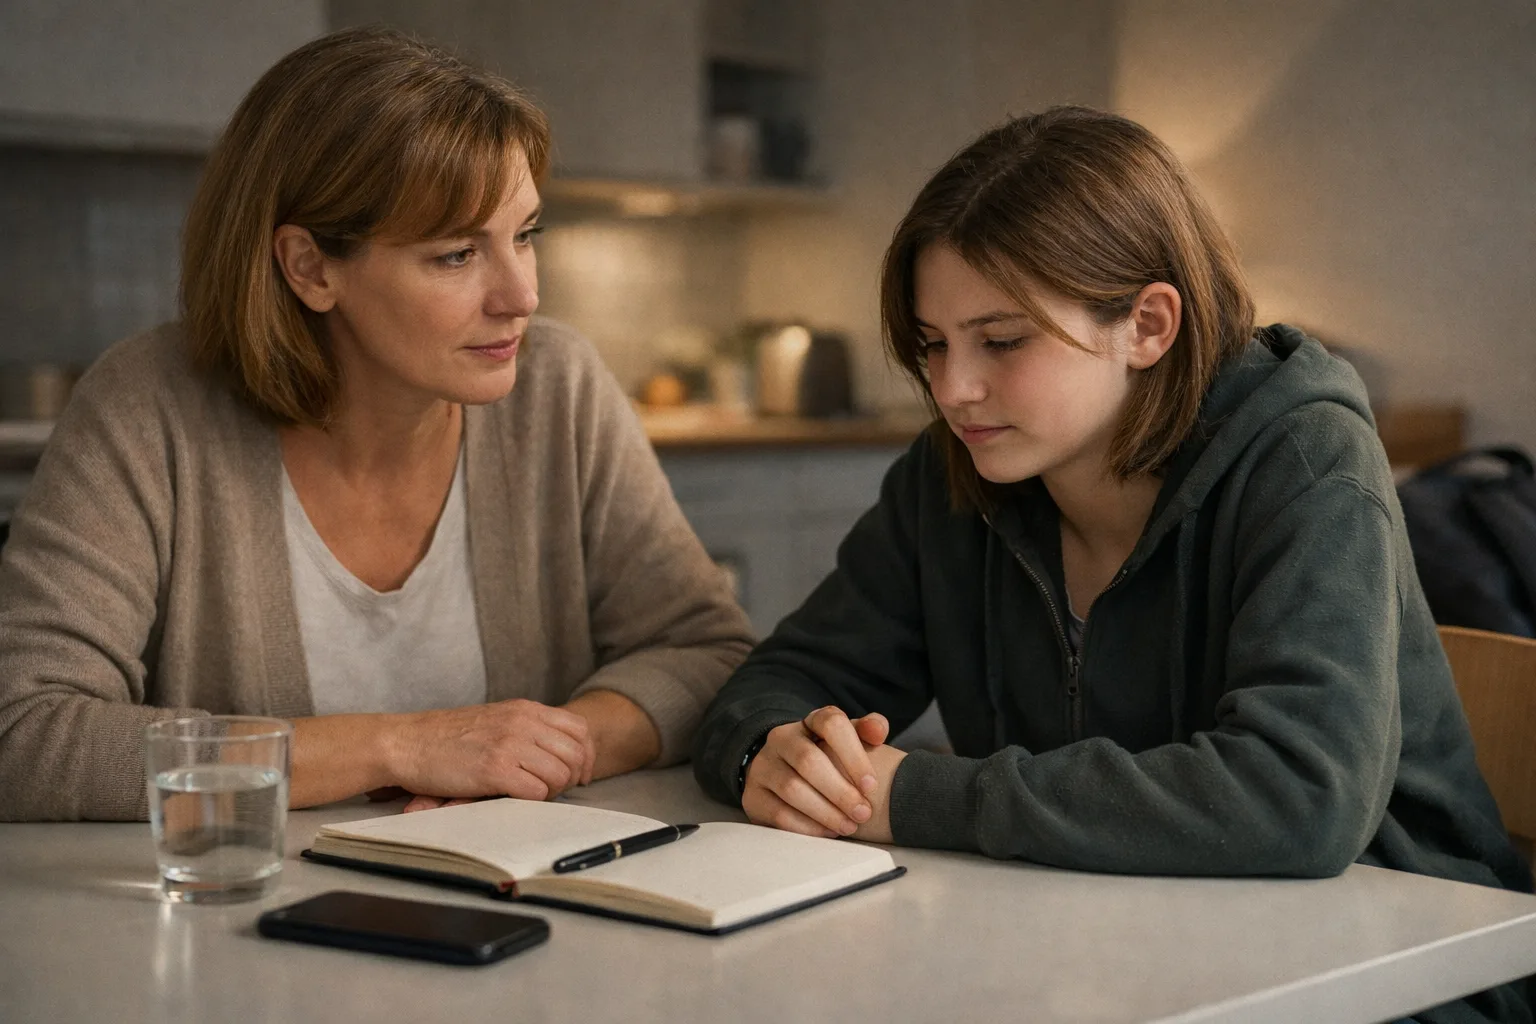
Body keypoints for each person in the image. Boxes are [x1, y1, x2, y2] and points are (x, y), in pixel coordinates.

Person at [693, 107, 1530, 1023]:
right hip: (1103, 953)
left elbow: (1300, 796)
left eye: (1001, 341)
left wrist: (920, 795)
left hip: (1402, 971)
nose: (951, 387)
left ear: (1149, 324)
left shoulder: (1306, 463)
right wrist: (767, 755)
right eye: (934, 343)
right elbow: (778, 678)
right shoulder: (948, 479)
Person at [0, 27, 753, 822]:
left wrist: (534, 754)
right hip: (238, 925)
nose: (521, 296)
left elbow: (708, 653)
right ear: (310, 268)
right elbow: (24, 732)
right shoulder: (148, 408)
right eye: (457, 256)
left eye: (525, 237)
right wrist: (400, 746)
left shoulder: (559, 389)